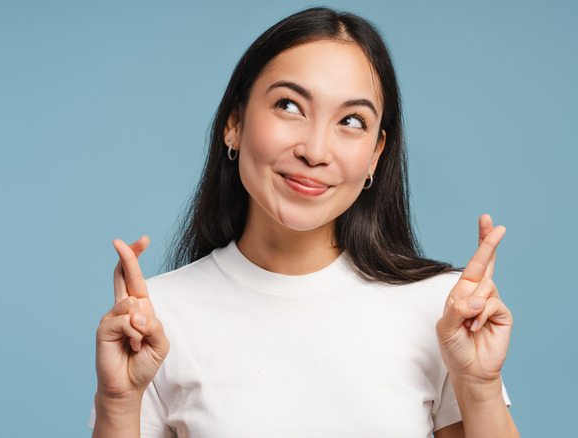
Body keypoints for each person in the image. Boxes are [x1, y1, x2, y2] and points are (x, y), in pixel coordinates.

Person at [92, 7, 519, 438]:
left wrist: (479, 388)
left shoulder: (440, 312)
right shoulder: (158, 320)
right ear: (234, 123)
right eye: (289, 105)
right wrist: (118, 402)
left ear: (375, 155)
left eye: (351, 121)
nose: (315, 150)